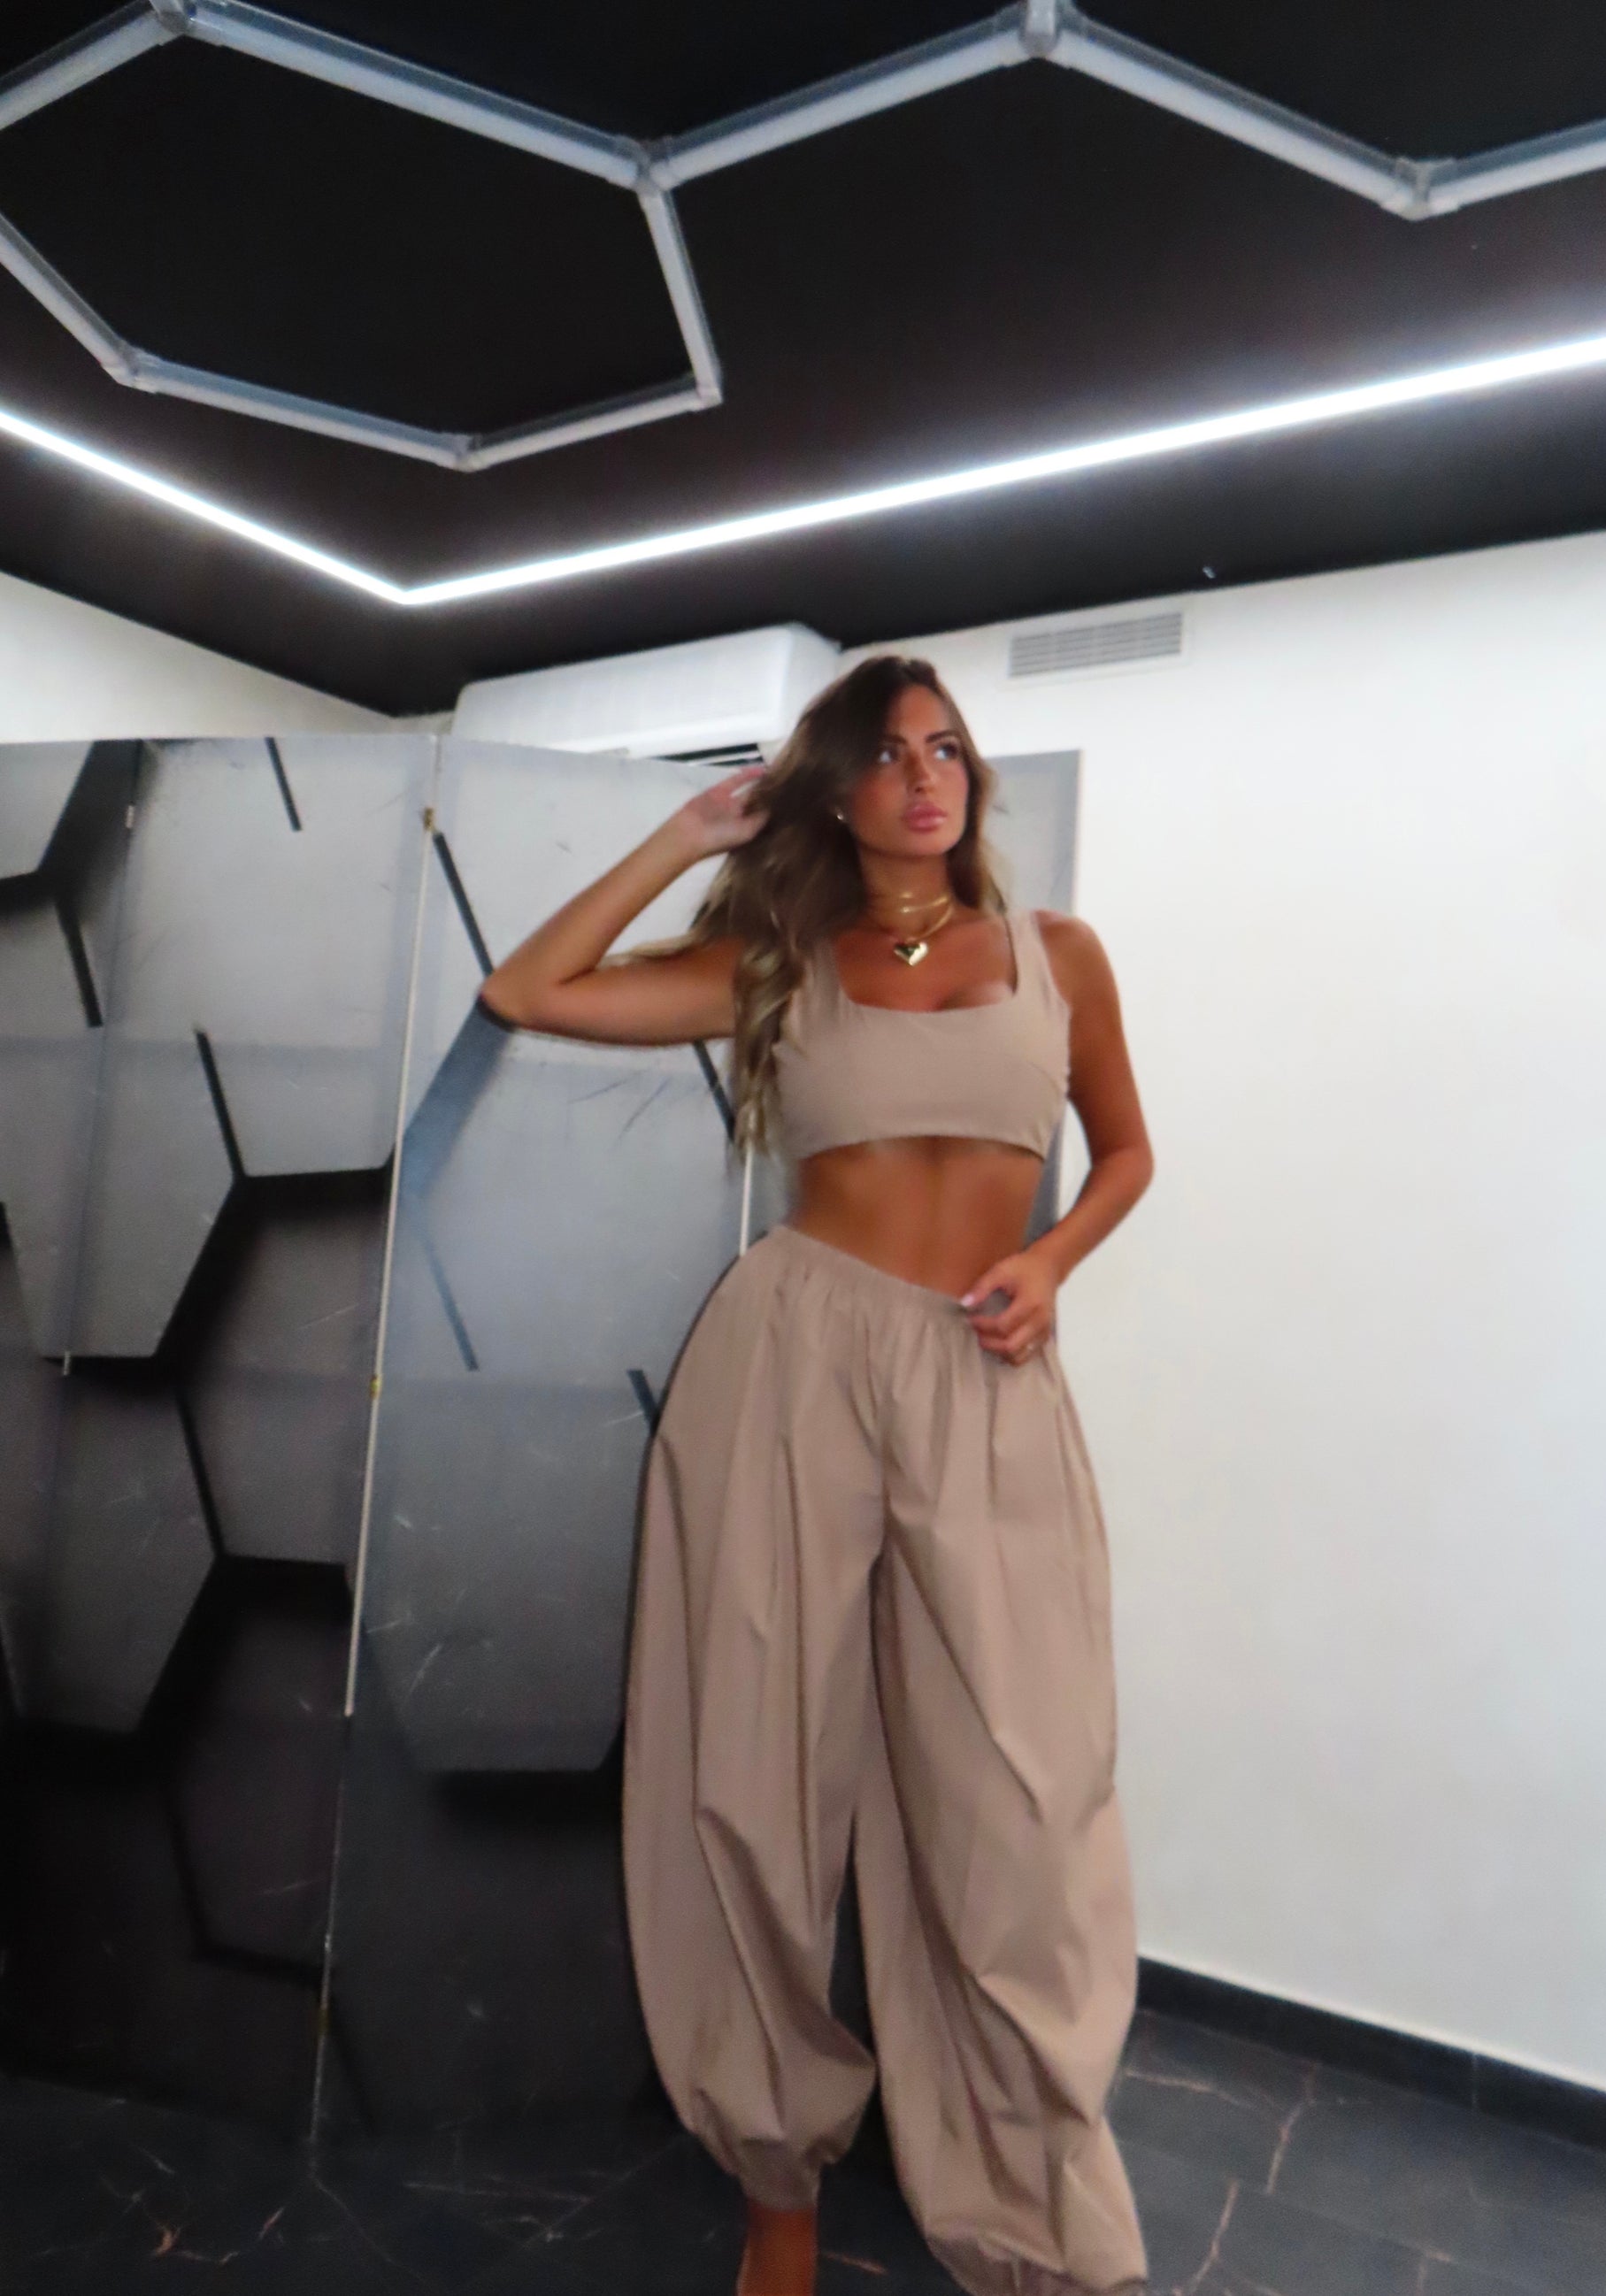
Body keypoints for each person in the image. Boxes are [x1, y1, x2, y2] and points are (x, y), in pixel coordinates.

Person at [479, 655, 1154, 2296]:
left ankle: (1024, 2198)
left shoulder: (1057, 955)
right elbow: (527, 991)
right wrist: (685, 832)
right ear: (836, 790)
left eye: (948, 749)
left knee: (1022, 1803)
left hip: (983, 1373)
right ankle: (775, 2173)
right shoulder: (782, 960)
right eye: (889, 754)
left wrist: (1052, 1256)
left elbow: (1128, 1149)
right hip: (789, 1364)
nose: (926, 778)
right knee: (753, 1776)